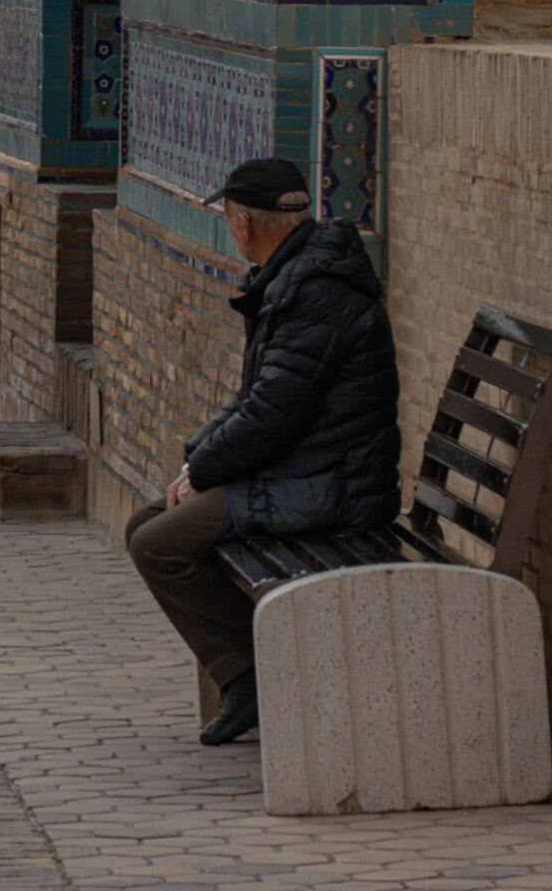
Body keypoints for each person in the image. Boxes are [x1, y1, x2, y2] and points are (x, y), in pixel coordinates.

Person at [124, 156, 401, 747]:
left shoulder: (315, 291)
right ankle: (249, 670)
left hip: (333, 486)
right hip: (308, 469)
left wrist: (203, 469)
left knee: (160, 544)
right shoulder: (299, 274)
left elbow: (270, 416)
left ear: (243, 225)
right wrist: (195, 460)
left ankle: (259, 666)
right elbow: (257, 397)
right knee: (146, 522)